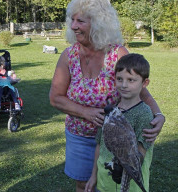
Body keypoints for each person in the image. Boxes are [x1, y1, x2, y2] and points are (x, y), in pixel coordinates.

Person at [49, 0, 165, 191]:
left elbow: (143, 93)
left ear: (98, 23)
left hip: (116, 139)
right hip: (79, 135)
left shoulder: (116, 53)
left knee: (113, 186)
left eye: (80, 21)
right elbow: (55, 98)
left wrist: (159, 116)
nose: (73, 26)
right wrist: (86, 112)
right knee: (82, 185)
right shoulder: (68, 55)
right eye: (72, 20)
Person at [85, 53, 156, 192]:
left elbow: (141, 152)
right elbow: (99, 145)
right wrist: (93, 175)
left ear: (144, 83)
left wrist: (123, 169)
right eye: (119, 79)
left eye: (131, 80)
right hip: (104, 182)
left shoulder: (144, 114)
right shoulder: (109, 111)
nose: (124, 85)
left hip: (131, 187)